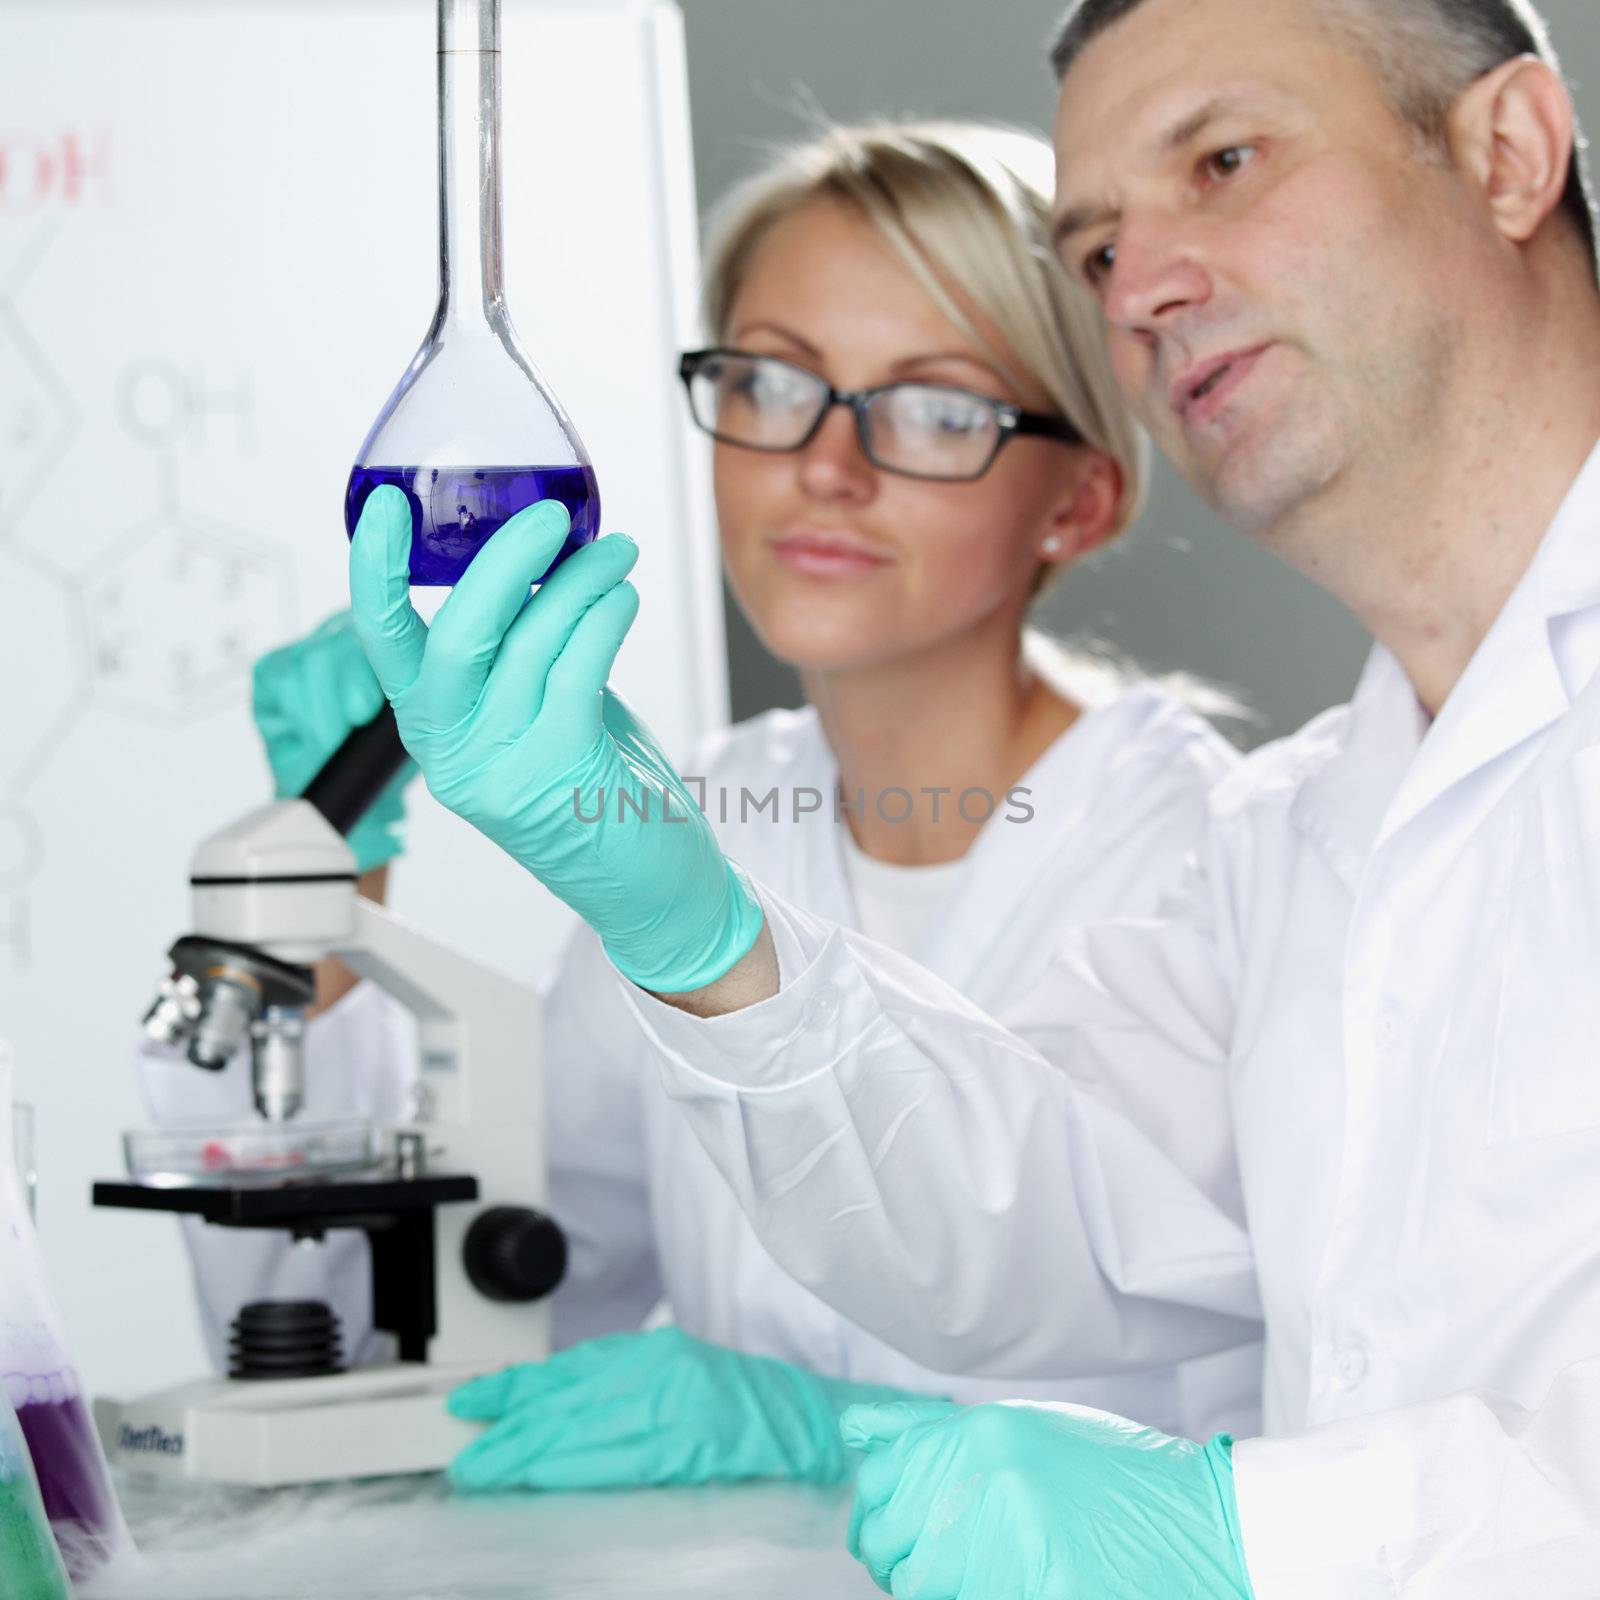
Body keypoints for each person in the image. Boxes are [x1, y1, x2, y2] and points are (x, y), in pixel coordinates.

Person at [347, 0, 1600, 1589]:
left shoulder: (1188, 821)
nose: (1139, 290)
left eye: (1225, 160)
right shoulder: (1306, 835)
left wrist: (1257, 1532)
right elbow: (1041, 1219)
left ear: (1509, 154)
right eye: (1094, 252)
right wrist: (684, 918)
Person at [142, 120, 1264, 1490]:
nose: (824, 467)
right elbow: (438, 1316)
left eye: (935, 408)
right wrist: (333, 882)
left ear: (1080, 499)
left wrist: (820, 1430)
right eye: (773, 380)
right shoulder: (716, 815)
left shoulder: (1206, 852)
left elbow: (1222, 1379)